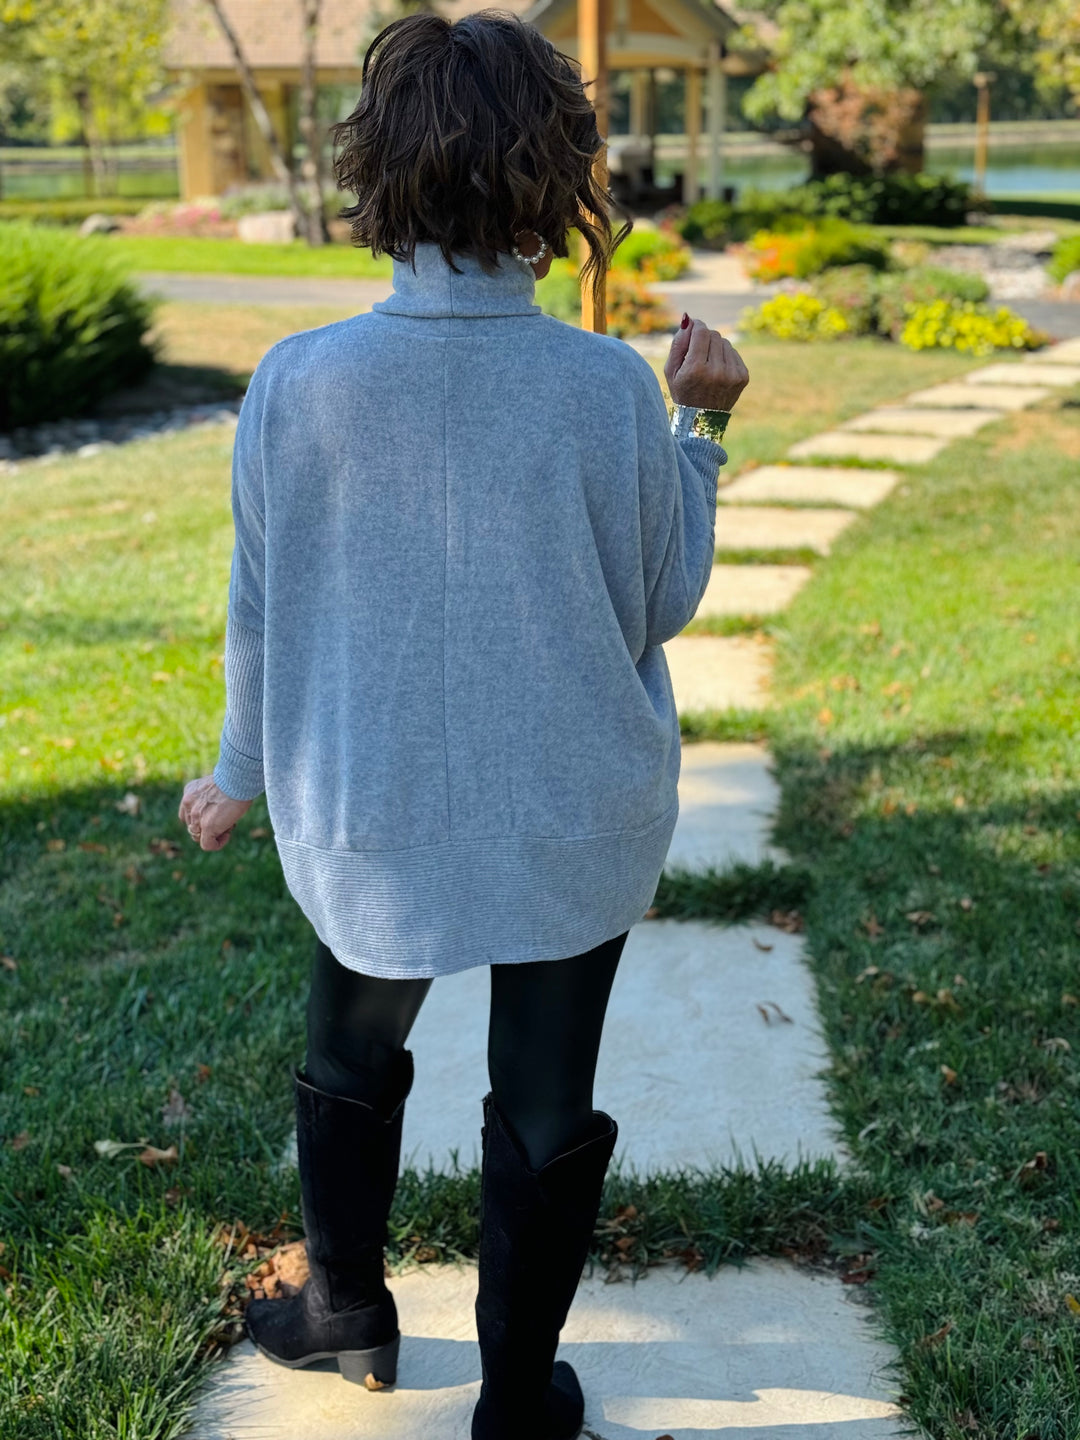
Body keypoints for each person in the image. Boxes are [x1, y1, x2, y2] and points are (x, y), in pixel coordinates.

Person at [177, 10, 749, 1440]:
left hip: (368, 813)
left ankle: (346, 1309)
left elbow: (262, 607)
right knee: (547, 1100)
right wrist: (706, 433)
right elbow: (660, 600)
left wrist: (242, 772)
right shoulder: (609, 386)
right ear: (558, 181)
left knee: (352, 1048)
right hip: (576, 812)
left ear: (379, 174)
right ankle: (512, 1401)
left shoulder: (299, 380)